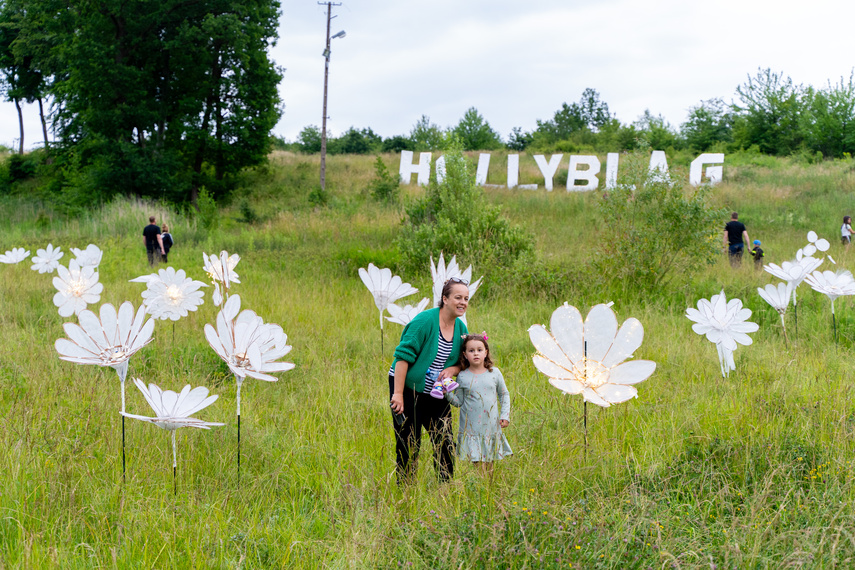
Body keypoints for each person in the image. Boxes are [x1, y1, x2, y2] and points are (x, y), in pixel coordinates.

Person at [389, 278, 469, 484]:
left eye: (466, 298)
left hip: (436, 389)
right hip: (406, 385)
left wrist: (453, 368)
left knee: (445, 440)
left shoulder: (460, 328)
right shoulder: (424, 321)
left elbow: (465, 361)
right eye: (458, 297)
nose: (463, 302)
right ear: (444, 299)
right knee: (409, 439)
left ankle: (445, 489)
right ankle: (405, 491)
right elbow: (402, 357)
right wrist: (398, 394)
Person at [446, 333, 512, 477]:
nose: (476, 353)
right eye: (471, 350)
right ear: (464, 354)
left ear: (486, 352)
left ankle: (488, 491)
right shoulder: (463, 376)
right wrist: (447, 392)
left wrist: (505, 415)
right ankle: (481, 490)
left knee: (490, 465)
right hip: (472, 429)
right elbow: (458, 402)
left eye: (479, 350)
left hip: (491, 426)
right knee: (479, 466)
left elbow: (504, 394)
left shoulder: (494, 373)